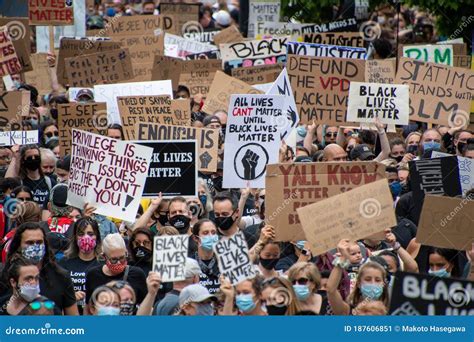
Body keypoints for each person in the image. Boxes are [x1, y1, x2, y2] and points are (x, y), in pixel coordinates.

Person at [3, 222, 78, 315]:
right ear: (18, 246)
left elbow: (73, 319)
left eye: (39, 242)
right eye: (29, 243)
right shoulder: (4, 276)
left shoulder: (62, 276)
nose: (35, 247)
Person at [85, 233, 147, 313]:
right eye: (113, 260)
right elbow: (88, 309)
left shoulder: (137, 274)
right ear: (104, 257)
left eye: (122, 258)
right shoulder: (93, 275)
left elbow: (146, 307)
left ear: (126, 253)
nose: (118, 263)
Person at [327, 239, 390, 315]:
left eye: (377, 280)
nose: (373, 283)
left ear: (384, 283)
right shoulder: (349, 311)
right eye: (368, 279)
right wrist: (343, 258)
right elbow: (331, 290)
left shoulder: (394, 310)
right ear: (359, 283)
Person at [60, 218, 101, 315]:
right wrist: (71, 296)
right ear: (75, 237)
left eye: (91, 234)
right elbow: (58, 292)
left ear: (97, 237)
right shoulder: (64, 262)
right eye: (81, 234)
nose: (86, 238)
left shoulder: (102, 264)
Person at [191, 219, 220, 293]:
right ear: (196, 238)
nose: (210, 236)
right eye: (205, 233)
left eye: (213, 232)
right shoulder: (189, 263)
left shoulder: (225, 262)